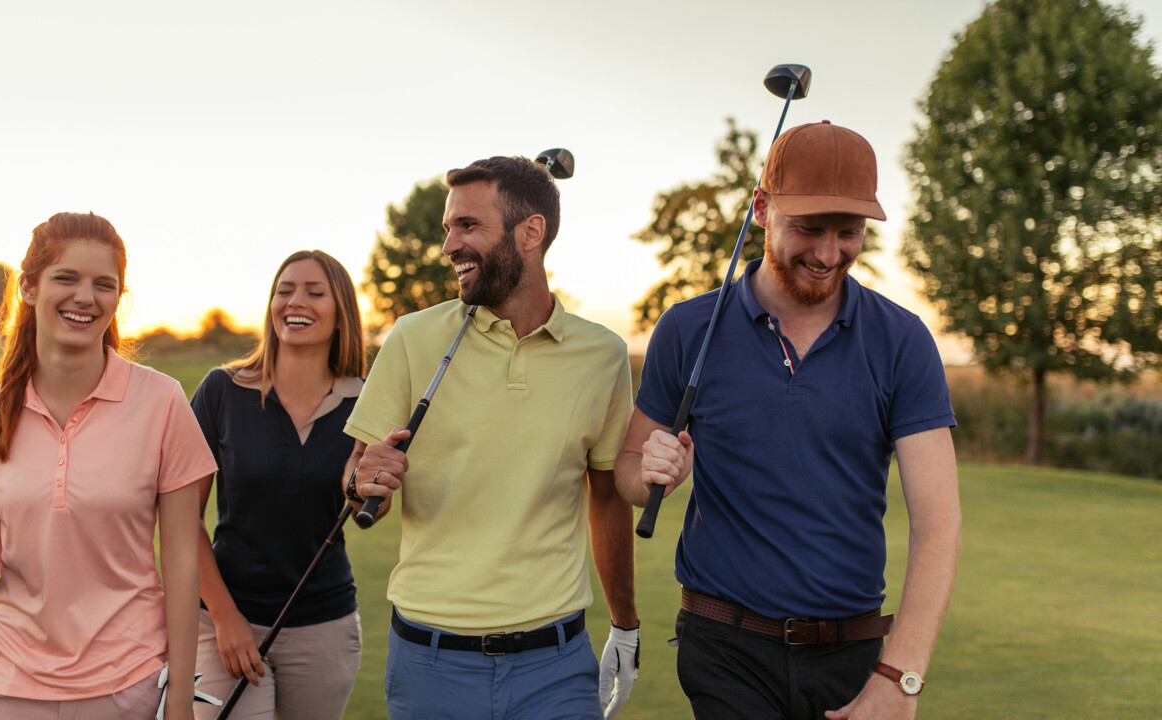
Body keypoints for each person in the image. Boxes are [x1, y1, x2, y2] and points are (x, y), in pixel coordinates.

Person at [616, 121, 961, 720]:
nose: (829, 255)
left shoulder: (902, 341)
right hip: (724, 647)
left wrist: (899, 677)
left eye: (848, 233)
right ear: (760, 208)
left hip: (852, 655)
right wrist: (651, 471)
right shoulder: (687, 329)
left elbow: (939, 523)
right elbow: (626, 472)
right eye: (808, 229)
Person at [344, 155, 640, 719]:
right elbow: (358, 483)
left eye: (468, 226)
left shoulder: (602, 355)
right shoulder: (412, 338)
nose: (450, 245)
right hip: (430, 664)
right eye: (448, 229)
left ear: (532, 232)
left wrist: (624, 624)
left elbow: (607, 498)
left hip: (556, 665)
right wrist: (363, 483)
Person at [0, 211, 215, 719]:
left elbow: (183, 561)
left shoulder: (163, 401)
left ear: (119, 298)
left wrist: (180, 697)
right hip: (5, 678)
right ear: (29, 287)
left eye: (104, 284)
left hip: (130, 679)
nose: (85, 297)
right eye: (66, 278)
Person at [189, 250, 367, 719]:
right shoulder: (220, 392)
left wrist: (365, 489)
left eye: (314, 292)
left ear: (340, 310)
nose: (295, 302)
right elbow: (181, 520)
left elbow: (372, 503)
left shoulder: (366, 401)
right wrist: (226, 620)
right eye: (284, 291)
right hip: (225, 622)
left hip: (324, 628)